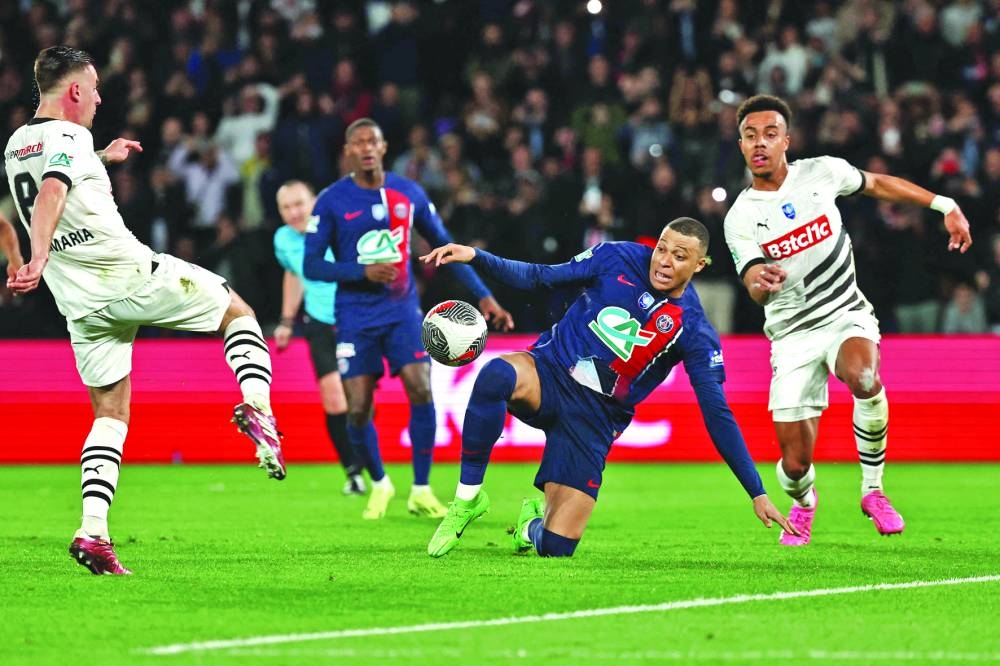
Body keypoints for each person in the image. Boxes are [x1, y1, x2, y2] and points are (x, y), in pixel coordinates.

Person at [4, 46, 287, 576]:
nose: (99, 97)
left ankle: (93, 533)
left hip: (81, 306)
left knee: (110, 414)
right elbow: (50, 191)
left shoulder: (19, 143)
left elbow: (51, 173)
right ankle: (258, 407)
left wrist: (99, 159)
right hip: (128, 277)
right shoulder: (70, 137)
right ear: (74, 92)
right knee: (238, 311)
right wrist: (37, 254)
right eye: (93, 88)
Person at [421, 217, 796, 558]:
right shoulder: (616, 257)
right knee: (496, 375)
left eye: (679, 256)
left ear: (698, 265)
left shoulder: (693, 330)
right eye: (661, 248)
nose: (664, 261)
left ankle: (531, 525)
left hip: (595, 419)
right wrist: (475, 255)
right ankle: (468, 498)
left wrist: (756, 491)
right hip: (550, 373)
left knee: (556, 548)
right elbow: (540, 275)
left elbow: (717, 413)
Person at [723, 94, 973, 546]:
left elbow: (877, 183)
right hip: (792, 335)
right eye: (750, 135)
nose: (760, 143)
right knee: (795, 467)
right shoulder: (741, 216)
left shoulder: (821, 172)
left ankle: (873, 490)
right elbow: (752, 283)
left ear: (787, 141)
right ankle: (805, 502)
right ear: (741, 145)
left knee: (864, 377)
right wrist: (763, 280)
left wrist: (943, 204)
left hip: (844, 313)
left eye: (770, 134)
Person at [303, 118, 513, 520]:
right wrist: (359, 273)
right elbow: (312, 265)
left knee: (420, 389)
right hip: (354, 316)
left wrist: (485, 296)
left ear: (383, 148)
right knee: (359, 408)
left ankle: (421, 489)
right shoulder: (331, 201)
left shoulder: (408, 193)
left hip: (401, 311)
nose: (366, 148)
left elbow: (446, 246)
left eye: (373, 141)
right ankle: (380, 483)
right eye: (358, 142)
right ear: (348, 151)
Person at [274, 180, 365, 495]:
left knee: (360, 397)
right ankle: (353, 472)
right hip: (319, 323)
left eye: (299, 204)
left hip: (353, 318)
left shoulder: (337, 226)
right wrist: (287, 320)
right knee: (333, 397)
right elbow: (293, 274)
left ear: (314, 201)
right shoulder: (284, 240)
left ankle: (369, 460)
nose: (294, 212)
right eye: (286, 207)